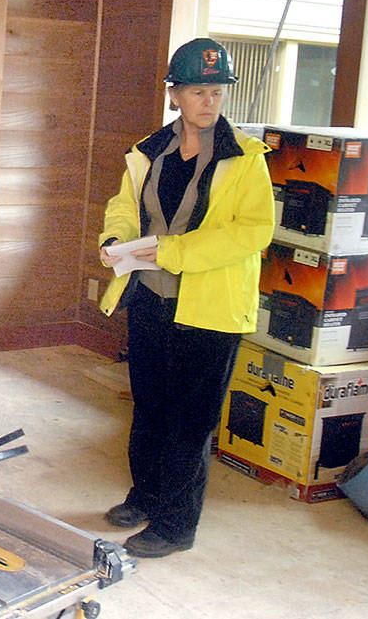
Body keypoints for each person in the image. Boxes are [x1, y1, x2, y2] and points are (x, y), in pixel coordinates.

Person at [96, 37, 274, 558]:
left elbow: (253, 231)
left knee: (189, 422)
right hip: (150, 299)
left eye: (218, 92)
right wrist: (115, 240)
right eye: (198, 91)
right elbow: (125, 206)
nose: (210, 102)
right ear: (175, 94)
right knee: (150, 407)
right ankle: (145, 496)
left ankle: (176, 526)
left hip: (211, 311)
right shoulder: (149, 151)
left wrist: (173, 251)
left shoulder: (246, 159)